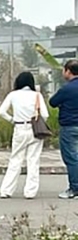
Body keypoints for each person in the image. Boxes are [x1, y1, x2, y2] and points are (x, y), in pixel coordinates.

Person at [0, 72, 49, 199]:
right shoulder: (37, 95)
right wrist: (39, 123)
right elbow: (45, 114)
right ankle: (30, 192)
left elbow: (1, 111)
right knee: (33, 160)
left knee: (15, 159)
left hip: (19, 128)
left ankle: (6, 190)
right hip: (34, 129)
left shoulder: (13, 95)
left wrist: (12, 120)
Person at [50, 59, 78, 199]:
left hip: (70, 126)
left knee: (71, 158)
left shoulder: (66, 89)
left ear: (68, 71)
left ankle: (74, 188)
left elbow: (52, 102)